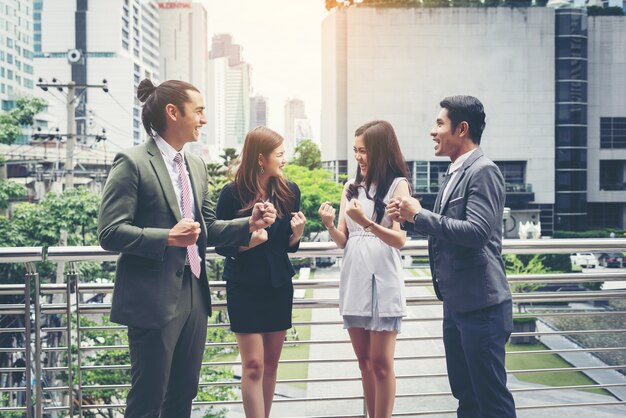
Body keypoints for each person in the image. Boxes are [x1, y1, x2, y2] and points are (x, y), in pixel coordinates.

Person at [97, 79, 277, 418]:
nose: (204, 119)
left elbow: (207, 228)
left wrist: (249, 224)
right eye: (199, 111)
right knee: (148, 398)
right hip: (152, 299)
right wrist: (167, 236)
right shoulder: (133, 162)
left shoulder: (195, 165)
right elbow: (109, 232)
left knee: (183, 395)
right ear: (172, 112)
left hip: (195, 294)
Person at [387, 96, 517, 418]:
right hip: (458, 304)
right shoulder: (453, 172)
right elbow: (446, 231)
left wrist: (420, 215)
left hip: (482, 307)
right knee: (466, 398)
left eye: (439, 124)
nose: (433, 132)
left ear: (462, 129)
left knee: (491, 401)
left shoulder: (483, 171)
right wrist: (409, 217)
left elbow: (477, 233)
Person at [318, 120, 411, 418]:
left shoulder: (398, 184)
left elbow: (399, 239)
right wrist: (331, 224)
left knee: (382, 363)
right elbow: (344, 240)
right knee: (365, 363)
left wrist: (368, 222)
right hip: (355, 275)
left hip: (383, 276)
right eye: (356, 150)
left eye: (364, 151)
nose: (358, 157)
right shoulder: (350, 186)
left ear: (380, 151)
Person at [215, 126, 306, 418]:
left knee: (272, 364)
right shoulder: (231, 194)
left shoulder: (290, 191)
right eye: (279, 154)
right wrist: (247, 243)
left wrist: (297, 234)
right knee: (253, 364)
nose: (284, 159)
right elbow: (219, 242)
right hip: (244, 285)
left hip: (278, 284)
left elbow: (287, 247)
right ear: (260, 158)